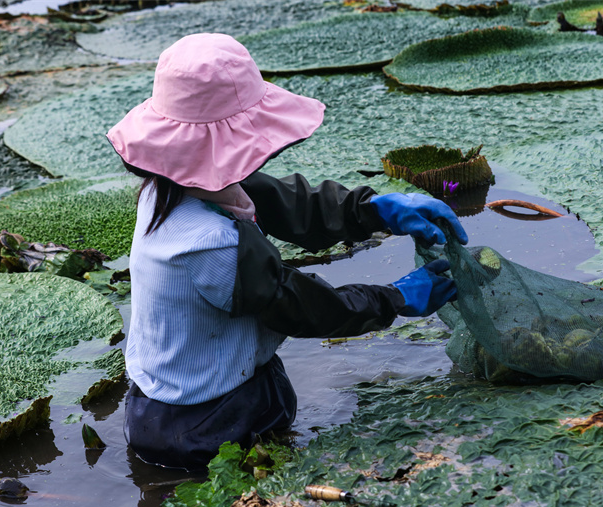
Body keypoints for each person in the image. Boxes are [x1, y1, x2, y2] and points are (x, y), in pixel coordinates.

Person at [106, 33, 468, 470]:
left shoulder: (173, 186)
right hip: (204, 425)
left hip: (155, 407)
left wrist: (373, 209)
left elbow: (291, 204)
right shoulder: (210, 244)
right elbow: (299, 306)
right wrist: (393, 299)